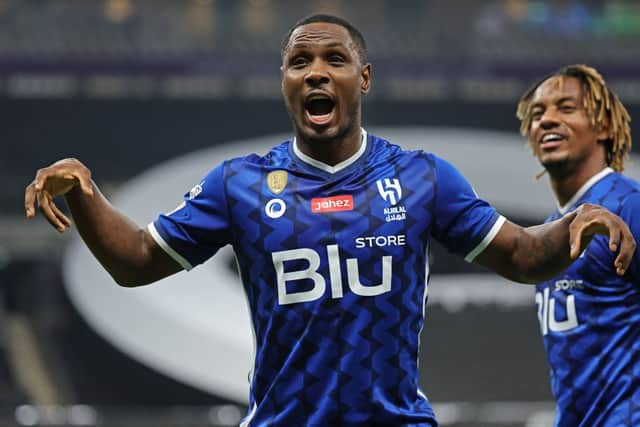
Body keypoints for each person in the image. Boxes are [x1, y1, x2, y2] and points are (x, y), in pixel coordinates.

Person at [24, 15, 635, 427]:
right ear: (286, 84)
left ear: (361, 79)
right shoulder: (239, 184)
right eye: (299, 62)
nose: (316, 71)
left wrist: (572, 225)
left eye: (335, 59)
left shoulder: (422, 178)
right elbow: (134, 263)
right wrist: (84, 191)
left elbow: (525, 258)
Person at [516, 64, 640, 427]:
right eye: (538, 114)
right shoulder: (553, 226)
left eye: (566, 108)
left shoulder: (629, 206)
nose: (548, 119)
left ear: (603, 126)